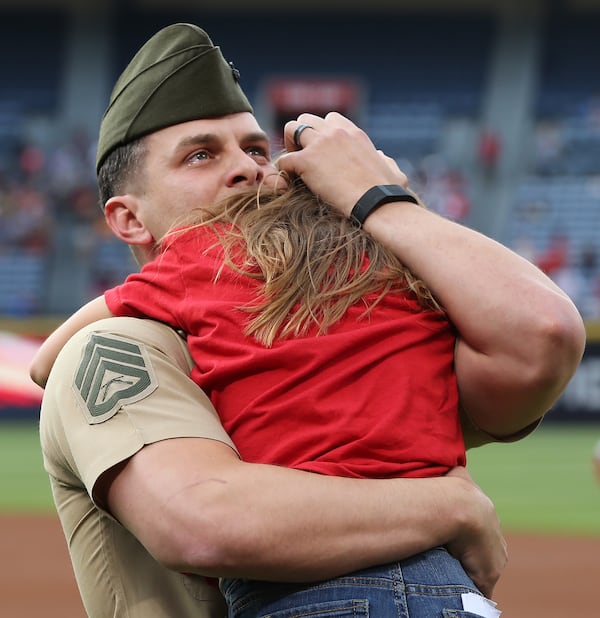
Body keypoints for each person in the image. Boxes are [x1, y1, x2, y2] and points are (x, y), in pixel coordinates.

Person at [32, 22, 586, 618]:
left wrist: (377, 199)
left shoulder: (351, 292)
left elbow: (541, 337)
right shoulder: (123, 339)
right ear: (129, 221)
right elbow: (203, 520)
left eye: (256, 149)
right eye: (200, 155)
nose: (247, 169)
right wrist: (451, 506)